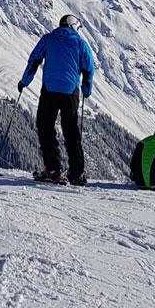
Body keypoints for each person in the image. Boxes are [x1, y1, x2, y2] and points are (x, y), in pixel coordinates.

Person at [19, 14, 95, 186]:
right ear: (74, 26)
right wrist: (86, 89)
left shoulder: (48, 39)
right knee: (71, 132)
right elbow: (89, 68)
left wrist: (24, 82)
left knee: (45, 127)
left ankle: (53, 169)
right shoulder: (81, 43)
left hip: (50, 90)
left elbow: (34, 61)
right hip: (71, 93)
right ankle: (77, 173)